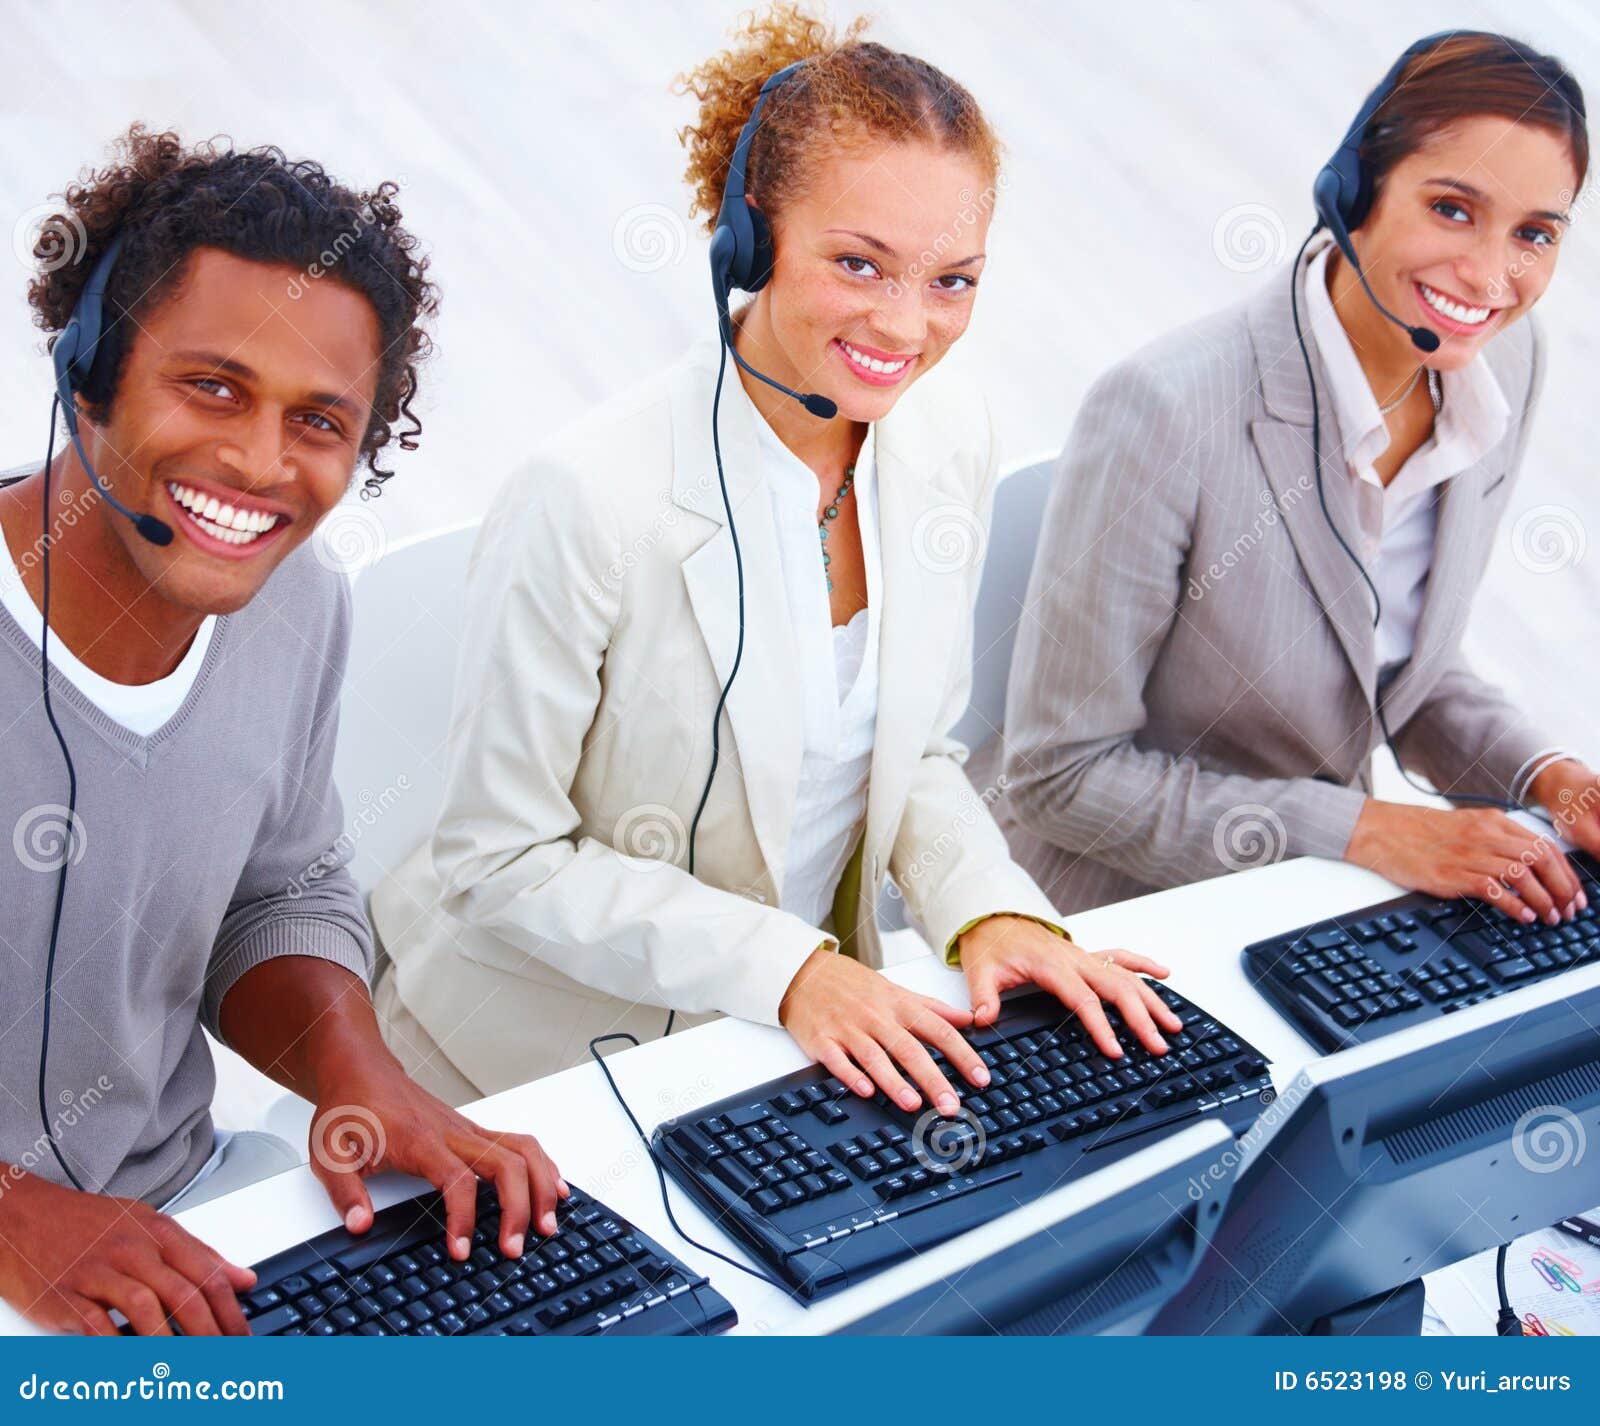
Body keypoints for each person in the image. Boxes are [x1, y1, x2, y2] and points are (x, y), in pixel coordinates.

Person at [372, 2, 1182, 1116]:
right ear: (748, 237)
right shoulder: (587, 497)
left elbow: (917, 756)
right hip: (526, 1071)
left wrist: (989, 907)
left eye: (952, 279)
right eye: (859, 263)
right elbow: (497, 858)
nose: (905, 327)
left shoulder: (943, 438)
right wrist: (787, 968)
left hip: (786, 1043)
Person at [0, 127, 564, 1337]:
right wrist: (14, 1215)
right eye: (211, 387)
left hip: (181, 1222)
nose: (258, 464)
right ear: (88, 367)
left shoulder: (298, 603)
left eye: (318, 420)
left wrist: (363, 1078)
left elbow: (278, 891)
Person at [989, 32, 1600, 924]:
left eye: (1534, 234)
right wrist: (1370, 830)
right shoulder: (1165, 410)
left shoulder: (1502, 364)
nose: (1489, 276)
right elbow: (1059, 776)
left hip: (1317, 905)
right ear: (1353, 193)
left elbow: (1396, 666)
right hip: (1120, 924)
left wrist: (1553, 780)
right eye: (1453, 209)